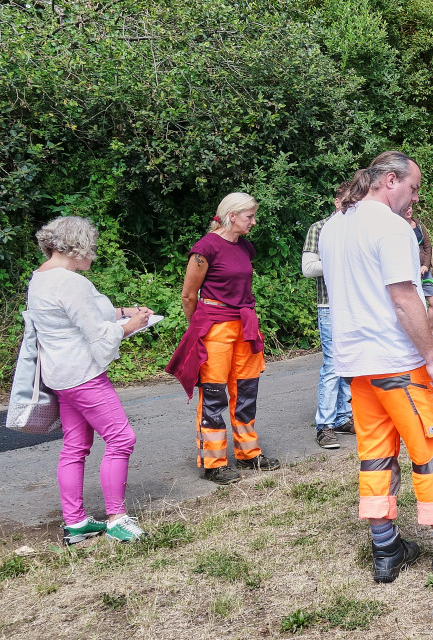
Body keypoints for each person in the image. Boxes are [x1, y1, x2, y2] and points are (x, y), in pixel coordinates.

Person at [320, 152, 433, 582]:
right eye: (414, 188)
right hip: (397, 361)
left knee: (376, 455)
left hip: (358, 364)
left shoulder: (334, 227)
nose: (415, 199)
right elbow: (404, 298)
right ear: (389, 180)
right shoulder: (390, 227)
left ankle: (386, 548)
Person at [27, 217, 151, 544]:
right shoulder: (71, 283)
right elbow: (97, 335)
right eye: (91, 249)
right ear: (75, 247)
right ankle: (117, 519)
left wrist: (123, 311)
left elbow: (79, 315)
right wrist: (132, 323)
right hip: (83, 376)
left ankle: (77, 522)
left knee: (75, 447)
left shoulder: (40, 276)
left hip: (59, 376)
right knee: (121, 438)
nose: (93, 257)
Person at [167, 193, 281, 486]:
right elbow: (188, 295)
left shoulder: (244, 246)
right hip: (216, 329)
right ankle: (213, 463)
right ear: (232, 216)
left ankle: (248, 454)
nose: (254, 222)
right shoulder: (205, 248)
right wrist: (200, 327)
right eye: (249, 217)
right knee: (215, 394)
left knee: (246, 391)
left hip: (244, 326)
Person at [302, 182, 355, 451]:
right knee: (333, 365)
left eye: (353, 204)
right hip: (329, 305)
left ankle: (344, 418)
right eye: (345, 203)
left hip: (355, 304)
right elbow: (308, 267)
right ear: (336, 202)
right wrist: (341, 260)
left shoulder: (356, 228)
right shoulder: (319, 228)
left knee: (350, 362)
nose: (349, 208)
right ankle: (325, 425)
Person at [404, 205, 433, 341]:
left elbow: (427, 245)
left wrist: (426, 265)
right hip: (407, 271)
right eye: (406, 208)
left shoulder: (418, 224)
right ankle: (414, 335)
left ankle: (430, 332)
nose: (409, 210)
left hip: (423, 271)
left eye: (410, 208)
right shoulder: (398, 225)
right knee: (413, 305)